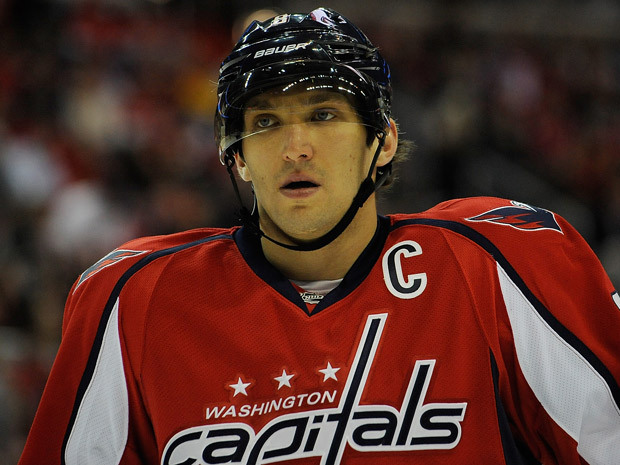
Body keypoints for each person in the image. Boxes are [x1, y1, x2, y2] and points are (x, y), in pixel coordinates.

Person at [19, 7, 620, 465]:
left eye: (323, 114)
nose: (294, 147)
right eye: (265, 122)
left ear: (382, 140)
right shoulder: (132, 299)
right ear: (237, 157)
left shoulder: (497, 263)